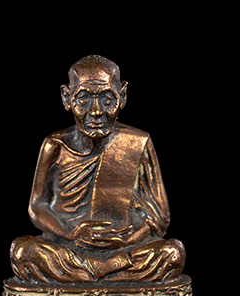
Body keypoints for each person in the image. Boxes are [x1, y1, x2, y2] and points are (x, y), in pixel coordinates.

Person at [10, 54, 185, 283]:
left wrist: (128, 240)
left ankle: (90, 273)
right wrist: (71, 234)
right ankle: (108, 273)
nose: (95, 111)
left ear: (122, 96)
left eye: (107, 100)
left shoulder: (137, 142)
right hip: (70, 248)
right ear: (66, 97)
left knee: (172, 252)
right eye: (83, 99)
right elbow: (37, 207)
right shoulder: (55, 145)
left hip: (124, 250)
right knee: (22, 251)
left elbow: (159, 217)